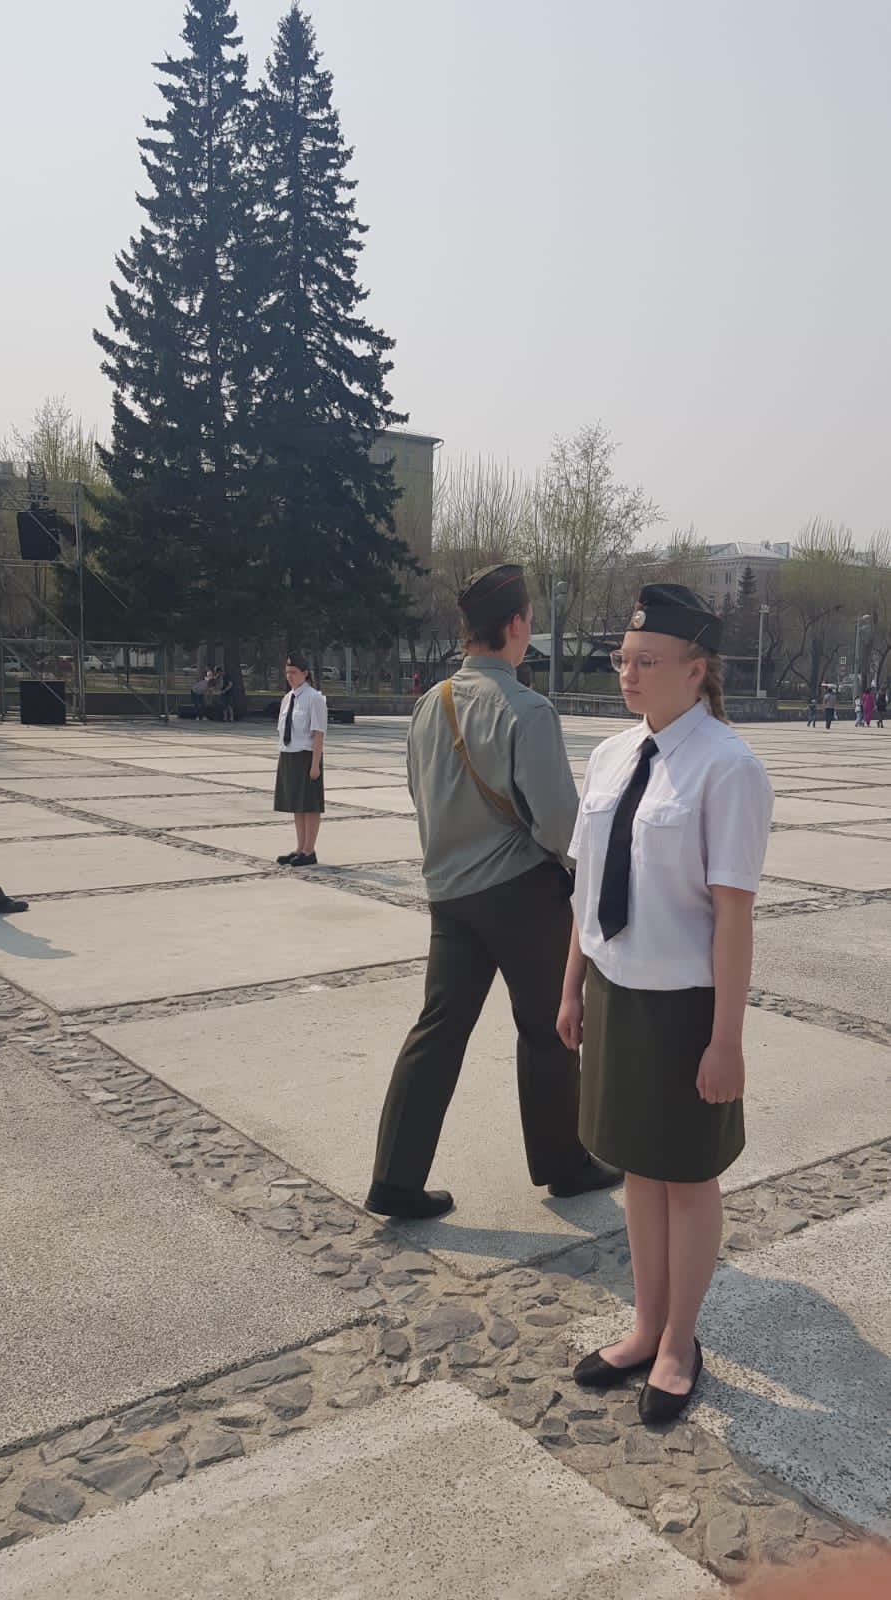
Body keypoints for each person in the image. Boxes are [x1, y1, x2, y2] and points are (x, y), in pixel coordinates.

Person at [558, 583, 773, 1424]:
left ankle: (681, 1343)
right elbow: (586, 888)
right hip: (616, 990)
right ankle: (645, 1326)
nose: (628, 673)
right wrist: (571, 986)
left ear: (696, 669)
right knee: (638, 1170)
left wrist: (727, 1040)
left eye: (646, 661)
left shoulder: (728, 768)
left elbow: (733, 914)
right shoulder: (612, 755)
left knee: (687, 1176)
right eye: (623, 659)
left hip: (685, 1007)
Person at [365, 562, 622, 1222]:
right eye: (529, 619)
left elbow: (418, 792)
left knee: (437, 1031)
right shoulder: (527, 710)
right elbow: (559, 823)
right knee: (547, 1029)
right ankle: (562, 1163)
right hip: (521, 894)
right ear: (514, 625)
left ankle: (394, 1177)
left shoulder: (431, 703)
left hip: (450, 895)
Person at [274, 653, 327, 866]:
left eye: (294, 672)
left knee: (310, 804)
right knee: (297, 804)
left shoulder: (314, 698)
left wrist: (315, 765)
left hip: (306, 756)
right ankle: (299, 847)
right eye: (287, 672)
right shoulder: (288, 698)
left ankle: (309, 850)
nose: (290, 676)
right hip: (289, 755)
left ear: (305, 673)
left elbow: (318, 733)